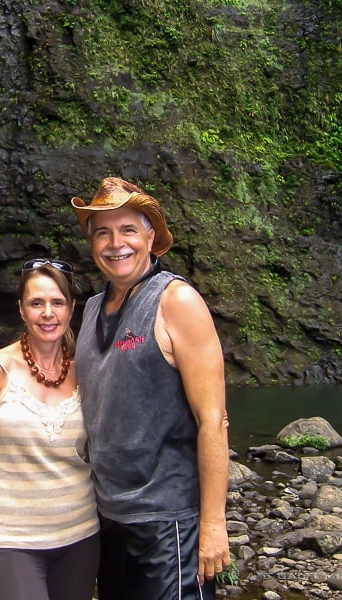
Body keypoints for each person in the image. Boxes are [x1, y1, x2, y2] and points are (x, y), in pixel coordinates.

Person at [70, 177, 231, 600]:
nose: (114, 243)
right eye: (102, 232)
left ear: (150, 237)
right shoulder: (89, 310)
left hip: (168, 521)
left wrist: (213, 525)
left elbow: (213, 418)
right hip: (108, 517)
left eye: (127, 230)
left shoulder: (176, 301)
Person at [0, 259, 100, 600]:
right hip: (14, 538)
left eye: (57, 303)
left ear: (71, 308)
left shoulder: (87, 368)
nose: (47, 313)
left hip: (81, 532)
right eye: (36, 303)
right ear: (21, 310)